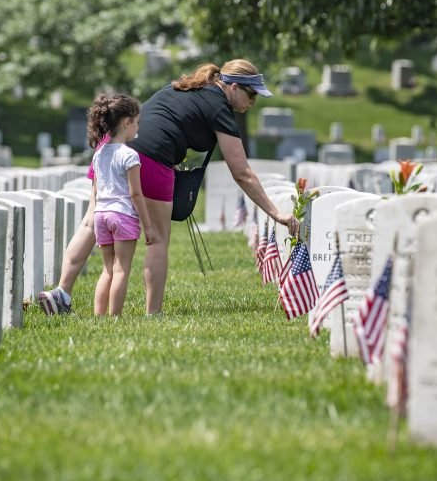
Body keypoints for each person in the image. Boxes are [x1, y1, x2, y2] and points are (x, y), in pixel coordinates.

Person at [128, 58, 299, 315]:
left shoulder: (190, 88)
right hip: (152, 158)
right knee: (158, 240)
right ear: (233, 88)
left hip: (116, 148)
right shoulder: (219, 107)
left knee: (92, 224)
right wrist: (276, 213)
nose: (253, 102)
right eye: (251, 94)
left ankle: (62, 291)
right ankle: (153, 313)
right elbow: (242, 173)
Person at [85, 93, 155, 316]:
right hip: (122, 215)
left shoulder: (99, 154)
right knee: (121, 269)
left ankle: (99, 315)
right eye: (136, 123)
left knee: (107, 269)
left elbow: (95, 189)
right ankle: (115, 317)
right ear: (126, 122)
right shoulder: (130, 155)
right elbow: (136, 195)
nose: (137, 128)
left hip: (101, 215)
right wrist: (149, 226)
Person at [36, 134, 107, 316]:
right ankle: (109, 313)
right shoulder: (125, 145)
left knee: (89, 221)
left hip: (107, 149)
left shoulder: (103, 146)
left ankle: (62, 292)